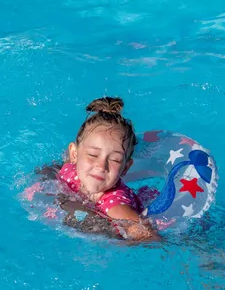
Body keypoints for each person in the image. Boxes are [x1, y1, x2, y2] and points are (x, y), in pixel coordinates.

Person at [54, 96, 158, 241]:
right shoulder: (68, 171)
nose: (101, 166)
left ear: (125, 168)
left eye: (115, 159)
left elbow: (150, 238)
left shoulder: (115, 205)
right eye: (92, 154)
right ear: (74, 154)